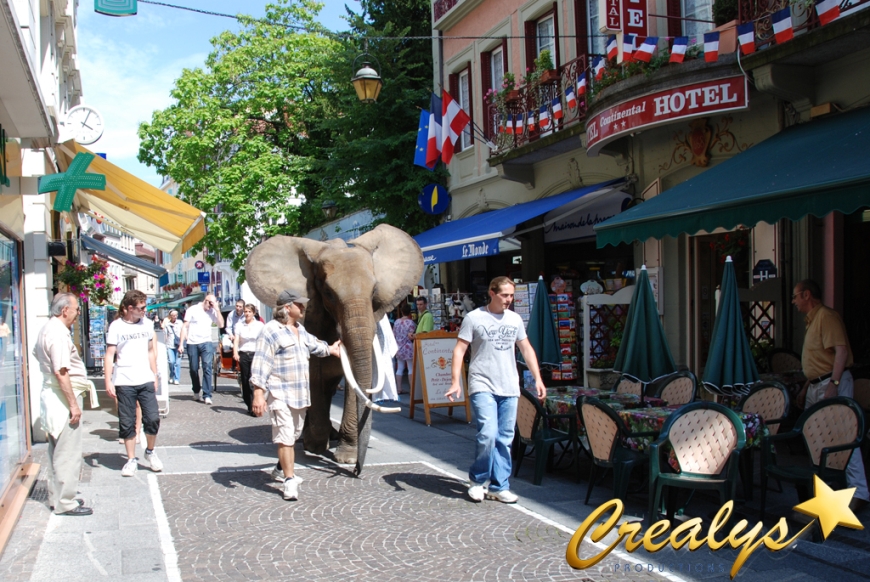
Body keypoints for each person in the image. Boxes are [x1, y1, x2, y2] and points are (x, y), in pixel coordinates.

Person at [446, 276, 546, 504]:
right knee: (488, 433)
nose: (509, 300)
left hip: (510, 385)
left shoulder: (514, 319)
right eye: (504, 295)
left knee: (505, 438)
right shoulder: (474, 318)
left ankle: (500, 485)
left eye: (511, 295)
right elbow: (459, 350)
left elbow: (526, 349)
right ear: (492, 293)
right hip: (482, 383)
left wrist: (538, 379)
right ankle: (478, 480)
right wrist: (455, 381)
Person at [250, 290, 340, 501]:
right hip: (280, 393)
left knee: (293, 435)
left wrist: (332, 349)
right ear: (287, 307)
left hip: (300, 394)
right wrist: (258, 393)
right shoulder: (271, 330)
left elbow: (316, 346)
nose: (303, 307)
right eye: (299, 304)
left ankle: (281, 468)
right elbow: (261, 362)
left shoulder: (300, 330)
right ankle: (289, 481)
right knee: (285, 437)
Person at [793, 279, 869, 511]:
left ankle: (860, 492)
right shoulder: (813, 320)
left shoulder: (826, 316)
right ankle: (828, 491)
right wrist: (807, 386)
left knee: (843, 435)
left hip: (830, 383)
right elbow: (819, 360)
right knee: (817, 436)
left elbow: (841, 351)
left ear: (807, 295)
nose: (794, 301)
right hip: (819, 384)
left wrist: (834, 383)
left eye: (796, 296)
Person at [33, 292, 96, 516]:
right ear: (64, 310)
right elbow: (61, 372)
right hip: (61, 396)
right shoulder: (58, 333)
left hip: (52, 394)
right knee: (67, 451)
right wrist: (73, 405)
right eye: (77, 308)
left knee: (56, 449)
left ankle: (57, 497)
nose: (78, 312)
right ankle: (65, 502)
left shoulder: (47, 328)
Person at [105, 290, 164, 477]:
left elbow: (150, 351)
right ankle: (131, 459)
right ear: (130, 308)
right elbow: (109, 355)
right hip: (124, 380)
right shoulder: (116, 326)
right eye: (141, 307)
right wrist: (108, 380)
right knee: (127, 422)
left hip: (145, 378)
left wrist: (154, 374)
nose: (145, 310)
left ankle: (150, 451)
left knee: (153, 417)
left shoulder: (147, 324)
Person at [178, 293, 224, 404]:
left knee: (207, 367)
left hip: (206, 342)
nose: (211, 306)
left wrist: (217, 310)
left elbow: (221, 325)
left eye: (213, 304)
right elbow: (185, 327)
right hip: (192, 342)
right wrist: (181, 344)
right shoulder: (192, 310)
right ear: (206, 301)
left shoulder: (213, 311)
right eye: (210, 304)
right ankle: (196, 390)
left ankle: (207, 394)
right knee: (193, 369)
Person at [233, 303, 265, 415]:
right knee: (245, 380)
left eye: (249, 312)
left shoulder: (260, 325)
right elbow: (236, 340)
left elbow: (263, 340)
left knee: (254, 379)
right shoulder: (239, 325)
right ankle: (249, 404)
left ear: (254, 313)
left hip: (255, 353)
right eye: (245, 311)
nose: (247, 314)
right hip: (244, 353)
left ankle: (255, 403)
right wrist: (235, 352)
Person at [393, 305, 416, 394]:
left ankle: (399, 388)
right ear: (410, 312)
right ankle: (412, 389)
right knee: (410, 368)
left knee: (400, 368)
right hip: (408, 347)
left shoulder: (396, 322)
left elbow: (393, 334)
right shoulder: (411, 323)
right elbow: (411, 336)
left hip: (398, 347)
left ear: (402, 312)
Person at [162, 310, 183, 384]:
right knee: (171, 361)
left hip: (178, 345)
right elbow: (165, 335)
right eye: (173, 315)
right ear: (170, 316)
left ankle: (176, 378)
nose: (174, 316)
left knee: (177, 363)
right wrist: (164, 345)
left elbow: (183, 332)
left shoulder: (180, 323)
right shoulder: (167, 324)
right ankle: (171, 375)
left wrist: (182, 344)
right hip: (170, 345)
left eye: (176, 315)